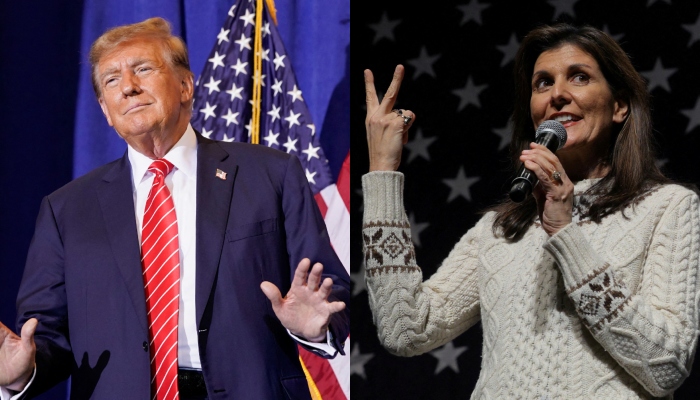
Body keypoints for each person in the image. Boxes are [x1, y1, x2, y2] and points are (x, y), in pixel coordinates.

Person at [0, 17, 349, 400]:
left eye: (143, 70)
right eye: (112, 80)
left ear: (185, 86)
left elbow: (327, 287)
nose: (129, 87)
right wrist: (19, 373)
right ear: (104, 109)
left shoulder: (271, 174)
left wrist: (317, 326)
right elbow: (48, 336)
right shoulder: (66, 210)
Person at [362, 22, 700, 398]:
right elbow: (404, 330)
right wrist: (382, 173)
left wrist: (565, 234)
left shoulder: (667, 208)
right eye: (542, 83)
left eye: (579, 77)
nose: (557, 94)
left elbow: (666, 366)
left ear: (619, 105)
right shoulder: (500, 229)